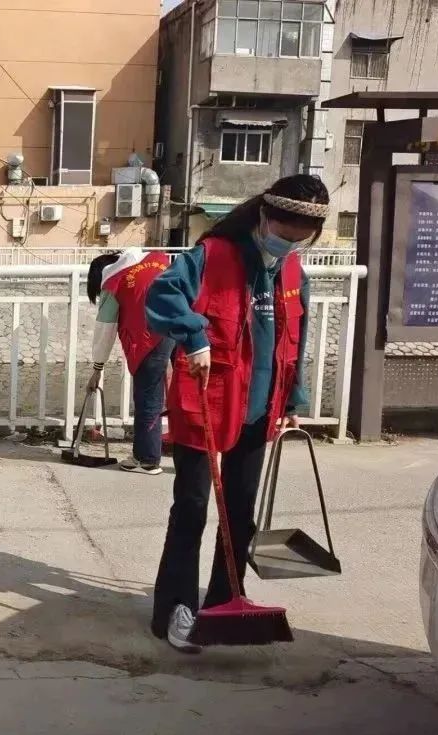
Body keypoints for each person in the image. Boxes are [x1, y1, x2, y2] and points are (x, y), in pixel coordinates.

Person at [145, 173, 327, 654]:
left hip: (260, 408)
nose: (287, 245)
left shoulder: (292, 273)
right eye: (283, 234)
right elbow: (161, 295)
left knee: (240, 513)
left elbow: (294, 340)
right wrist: (194, 335)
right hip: (208, 402)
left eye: (299, 240)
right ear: (264, 216)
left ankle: (225, 601)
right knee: (192, 508)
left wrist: (292, 400)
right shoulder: (213, 255)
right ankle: (175, 610)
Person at [86, 247, 175, 474]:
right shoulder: (157, 260)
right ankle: (193, 454)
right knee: (180, 393)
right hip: (181, 330)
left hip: (150, 337)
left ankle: (146, 460)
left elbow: (105, 328)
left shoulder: (114, 279)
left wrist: (97, 368)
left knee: (148, 396)